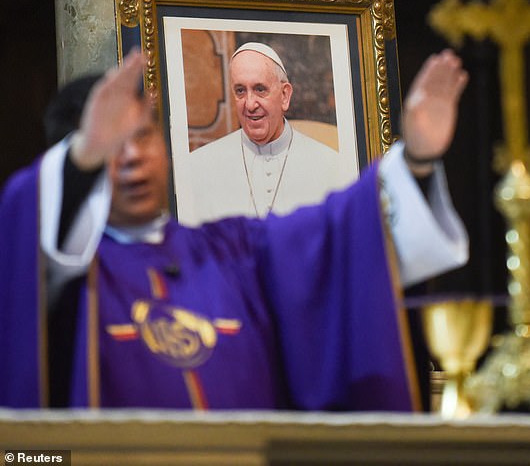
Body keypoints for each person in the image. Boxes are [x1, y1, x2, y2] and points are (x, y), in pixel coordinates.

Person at [0, 48, 469, 410]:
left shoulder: (232, 252)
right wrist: (85, 154)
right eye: (110, 145)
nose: (131, 159)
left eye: (142, 136)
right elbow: (22, 250)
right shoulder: (55, 276)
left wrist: (416, 161)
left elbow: (339, 236)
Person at [179, 42, 356, 226]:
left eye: (260, 89)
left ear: (285, 95)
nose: (249, 104)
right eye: (240, 91)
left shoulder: (333, 167)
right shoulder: (198, 168)